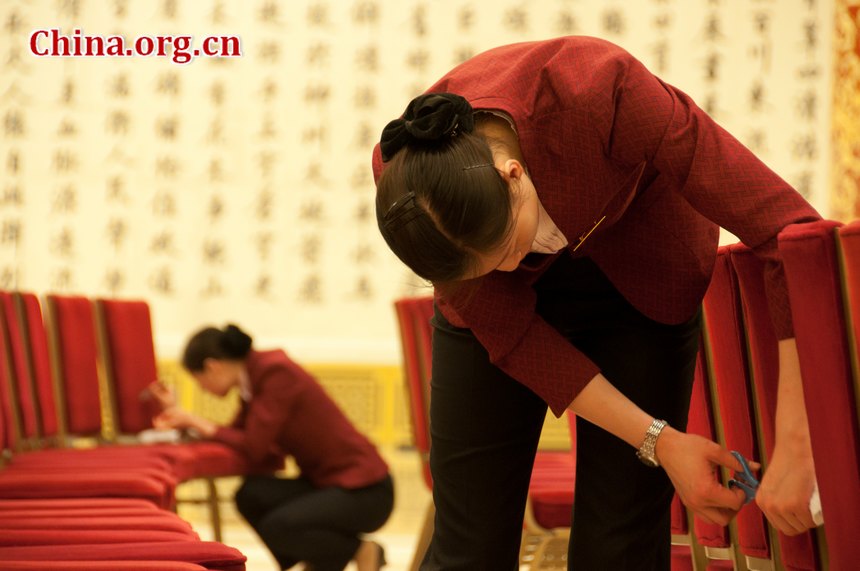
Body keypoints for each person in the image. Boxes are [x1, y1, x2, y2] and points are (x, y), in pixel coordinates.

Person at [372, 36, 820, 570]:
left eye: (510, 251)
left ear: (513, 175)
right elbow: (516, 334)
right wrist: (661, 441)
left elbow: (787, 234)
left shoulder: (597, 90)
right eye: (487, 271)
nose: (513, 273)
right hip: (493, 330)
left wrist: (800, 438)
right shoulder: (412, 190)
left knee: (620, 546)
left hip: (643, 283)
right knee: (467, 548)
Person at [151, 324, 393, 571]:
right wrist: (184, 423)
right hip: (327, 483)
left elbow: (253, 446)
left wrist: (195, 421)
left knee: (279, 525)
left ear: (213, 366)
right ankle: (325, 559)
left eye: (199, 381)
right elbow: (235, 436)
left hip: (365, 490)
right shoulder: (253, 380)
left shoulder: (275, 372)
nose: (203, 389)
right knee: (251, 495)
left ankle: (359, 550)